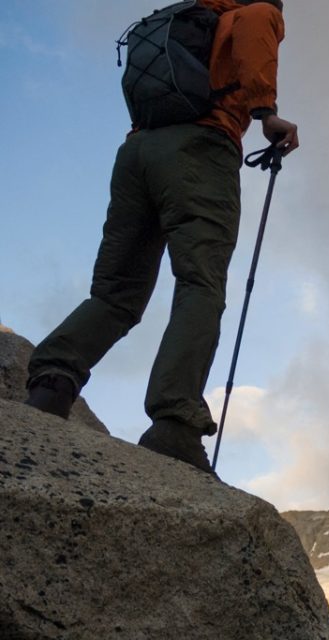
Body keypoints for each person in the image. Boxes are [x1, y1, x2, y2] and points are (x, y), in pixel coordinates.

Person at [24, 0, 299, 476]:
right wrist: (265, 113)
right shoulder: (254, 11)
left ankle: (53, 381)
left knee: (116, 292)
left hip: (137, 153)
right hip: (200, 149)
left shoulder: (188, 17)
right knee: (200, 283)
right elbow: (257, 30)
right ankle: (174, 423)